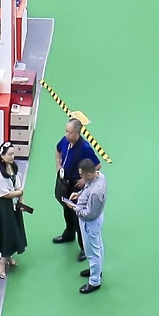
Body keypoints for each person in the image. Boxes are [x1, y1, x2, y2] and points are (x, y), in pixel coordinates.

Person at [53, 116, 98, 254]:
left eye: (70, 132)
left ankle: (84, 247)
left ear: (77, 132)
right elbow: (57, 150)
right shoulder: (65, 141)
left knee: (77, 216)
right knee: (66, 210)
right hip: (64, 183)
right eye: (66, 131)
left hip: (76, 186)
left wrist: (84, 180)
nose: (67, 134)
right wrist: (58, 166)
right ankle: (69, 234)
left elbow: (97, 165)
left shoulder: (85, 148)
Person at [0, 141, 30, 279]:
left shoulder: (13, 167)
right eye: (10, 154)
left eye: (13, 154)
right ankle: (1, 261)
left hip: (13, 205)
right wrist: (20, 193)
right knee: (6, 232)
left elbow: (17, 184)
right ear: (2, 156)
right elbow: (5, 194)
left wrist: (21, 200)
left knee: (14, 230)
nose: (13, 157)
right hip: (4, 207)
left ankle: (8, 255)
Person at [68, 159, 106, 294]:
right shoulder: (99, 176)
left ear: (89, 174)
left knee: (92, 252)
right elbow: (87, 189)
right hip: (95, 220)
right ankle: (97, 270)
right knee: (98, 246)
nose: (81, 177)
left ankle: (94, 281)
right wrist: (79, 194)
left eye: (82, 175)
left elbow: (90, 214)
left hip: (90, 223)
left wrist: (75, 208)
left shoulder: (96, 192)